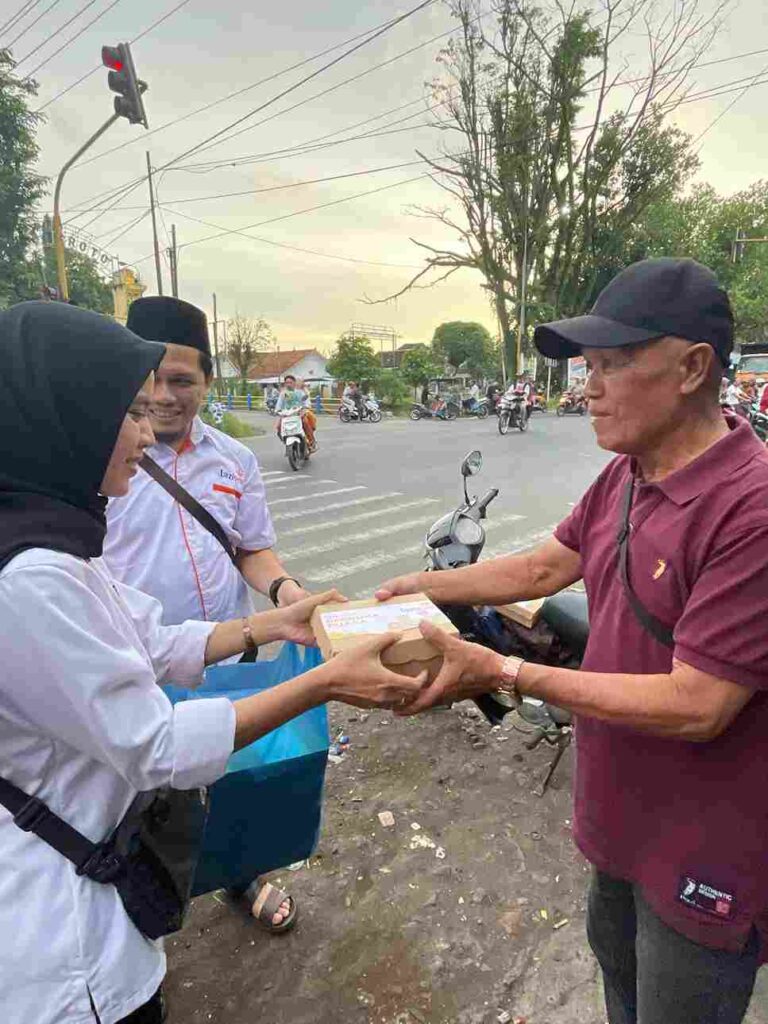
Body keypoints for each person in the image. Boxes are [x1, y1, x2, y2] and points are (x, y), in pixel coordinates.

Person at [0, 301, 425, 1024]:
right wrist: (323, 681)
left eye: (168, 393)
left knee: (215, 809)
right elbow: (159, 748)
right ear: (67, 419)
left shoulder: (56, 540)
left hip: (104, 818)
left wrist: (274, 618)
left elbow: (154, 638)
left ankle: (229, 875)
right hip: (65, 945)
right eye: (130, 411)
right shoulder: (34, 575)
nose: (148, 430)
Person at [377, 257, 768, 1024]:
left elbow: (698, 705)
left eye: (612, 364)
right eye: (588, 366)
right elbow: (541, 567)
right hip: (618, 815)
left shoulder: (750, 510)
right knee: (618, 980)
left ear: (693, 368)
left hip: (704, 847)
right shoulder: (626, 473)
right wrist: (417, 585)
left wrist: (504, 670)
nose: (588, 387)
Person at [104, 297, 313, 930]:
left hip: (229, 654)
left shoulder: (233, 460)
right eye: (150, 380)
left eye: (181, 380)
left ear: (208, 381)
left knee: (228, 770)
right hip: (135, 663)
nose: (164, 397)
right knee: (135, 795)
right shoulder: (102, 457)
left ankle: (240, 875)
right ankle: (142, 910)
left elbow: (251, 548)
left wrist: (284, 591)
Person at [275, 373, 317, 450]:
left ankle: (312, 441)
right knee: (278, 427)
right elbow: (279, 405)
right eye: (287, 383)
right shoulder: (283, 394)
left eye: (290, 382)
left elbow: (306, 402)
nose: (288, 384)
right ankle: (285, 440)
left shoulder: (300, 392)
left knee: (305, 422)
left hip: (298, 414)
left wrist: (304, 409)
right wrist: (278, 411)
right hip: (286, 415)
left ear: (294, 383)